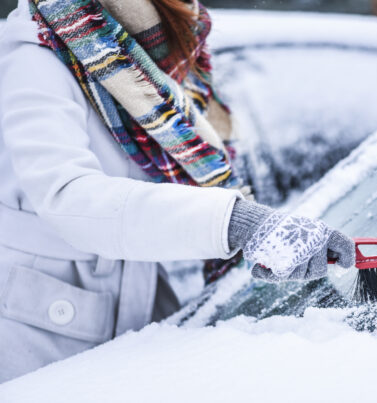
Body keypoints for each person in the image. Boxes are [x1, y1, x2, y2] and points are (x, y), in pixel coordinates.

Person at [0, 0, 355, 382]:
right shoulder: (34, 56)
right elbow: (67, 195)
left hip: (136, 312)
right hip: (39, 330)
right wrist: (234, 223)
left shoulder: (146, 47)